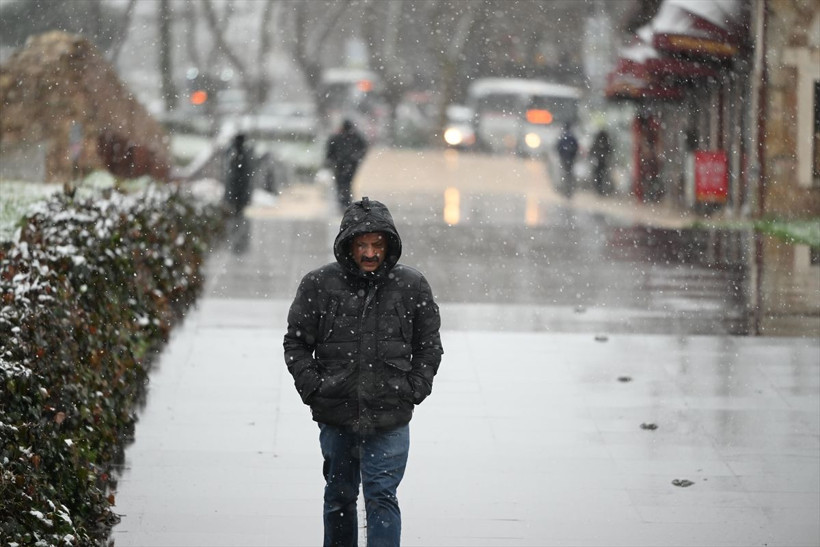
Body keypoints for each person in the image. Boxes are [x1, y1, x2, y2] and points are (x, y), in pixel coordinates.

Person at [284, 197, 443, 546]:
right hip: (336, 412)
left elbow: (429, 344)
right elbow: (296, 344)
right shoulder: (318, 285)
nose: (370, 253)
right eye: (362, 245)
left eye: (377, 245)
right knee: (340, 495)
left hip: (391, 411)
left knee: (382, 495)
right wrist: (315, 388)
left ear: (389, 245)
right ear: (348, 245)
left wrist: (414, 388)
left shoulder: (411, 286)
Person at [325, 119, 368, 209]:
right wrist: (357, 158)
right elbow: (363, 148)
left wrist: (331, 161)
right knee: (347, 183)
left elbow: (329, 151)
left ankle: (343, 202)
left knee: (341, 183)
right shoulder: (356, 137)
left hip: (340, 165)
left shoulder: (336, 137)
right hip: (350, 165)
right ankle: (346, 202)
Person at [224, 133, 254, 216]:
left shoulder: (236, 151)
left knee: (237, 209)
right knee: (238, 209)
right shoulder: (240, 151)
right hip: (239, 183)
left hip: (238, 183)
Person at [555, 122, 579, 197]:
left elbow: (558, 146)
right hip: (570, 158)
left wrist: (561, 154)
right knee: (569, 174)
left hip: (564, 158)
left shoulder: (563, 136)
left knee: (564, 173)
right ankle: (569, 190)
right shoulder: (572, 136)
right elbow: (576, 147)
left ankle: (565, 189)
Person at [590, 129, 613, 196]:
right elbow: (610, 150)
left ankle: (599, 189)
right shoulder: (606, 141)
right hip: (603, 161)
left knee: (598, 176)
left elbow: (592, 150)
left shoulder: (597, 141)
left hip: (598, 161)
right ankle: (602, 189)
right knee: (603, 175)